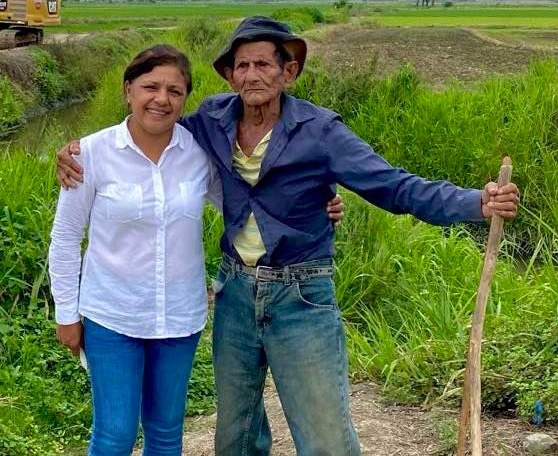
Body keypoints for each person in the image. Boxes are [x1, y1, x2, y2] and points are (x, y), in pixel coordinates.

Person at [56, 17, 520, 455]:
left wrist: (472, 203)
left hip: (300, 293)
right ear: (230, 76)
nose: (251, 74)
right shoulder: (211, 121)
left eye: (263, 64)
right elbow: (151, 130)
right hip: (235, 292)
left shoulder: (320, 132)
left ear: (288, 72)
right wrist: (75, 151)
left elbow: (392, 184)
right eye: (242, 65)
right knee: (235, 433)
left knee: (324, 433)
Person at [49, 45, 343, 456]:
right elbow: (65, 238)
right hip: (112, 315)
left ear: (186, 98)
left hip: (178, 317)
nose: (161, 99)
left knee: (166, 432)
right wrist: (66, 313)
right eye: (150, 87)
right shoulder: (91, 154)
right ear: (128, 90)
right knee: (115, 433)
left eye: (175, 91)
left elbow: (244, 204)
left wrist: (313, 206)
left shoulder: (198, 151)